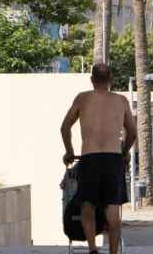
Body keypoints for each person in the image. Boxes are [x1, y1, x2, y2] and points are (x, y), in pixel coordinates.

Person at [60, 63, 136, 254]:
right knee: (112, 207)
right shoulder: (121, 101)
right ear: (110, 80)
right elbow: (132, 132)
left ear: (92, 79)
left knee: (88, 205)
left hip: (90, 158)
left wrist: (69, 151)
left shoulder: (82, 98)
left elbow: (64, 127)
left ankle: (93, 249)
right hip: (112, 159)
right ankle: (113, 252)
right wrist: (124, 151)